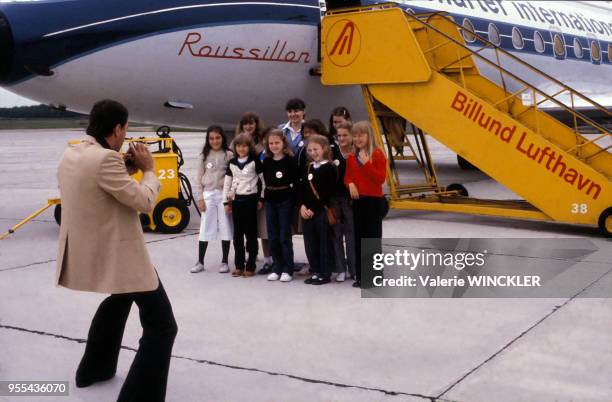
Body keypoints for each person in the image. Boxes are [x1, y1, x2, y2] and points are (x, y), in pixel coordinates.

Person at [56, 100, 177, 402]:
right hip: (122, 255)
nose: (126, 135)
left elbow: (96, 181)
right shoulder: (105, 160)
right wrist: (148, 170)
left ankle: (93, 370)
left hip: (95, 251)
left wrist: (125, 166)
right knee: (163, 326)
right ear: (117, 128)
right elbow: (144, 202)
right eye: (125, 128)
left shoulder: (73, 153)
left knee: (119, 301)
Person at [344, 121, 387, 288]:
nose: (357, 138)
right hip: (358, 201)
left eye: (361, 135)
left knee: (372, 239)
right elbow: (347, 176)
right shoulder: (352, 157)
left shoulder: (377, 154)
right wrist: (350, 184)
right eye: (354, 136)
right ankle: (361, 275)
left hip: (374, 201)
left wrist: (367, 164)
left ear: (369, 135)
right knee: (359, 239)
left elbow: (380, 179)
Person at [192, 125, 233, 274]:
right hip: (208, 194)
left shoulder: (228, 155)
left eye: (217, 138)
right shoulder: (203, 156)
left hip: (223, 194)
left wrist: (230, 198)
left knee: (225, 227)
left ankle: (224, 261)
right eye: (211, 138)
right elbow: (197, 178)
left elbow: (234, 177)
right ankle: (200, 261)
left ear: (222, 138)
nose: (215, 141)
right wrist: (200, 198)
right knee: (205, 227)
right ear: (207, 140)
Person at [236, 112, 274, 274]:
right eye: (245, 123)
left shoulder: (263, 143)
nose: (248, 126)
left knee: (263, 228)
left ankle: (268, 259)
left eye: (251, 123)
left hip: (259, 192)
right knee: (246, 229)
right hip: (244, 193)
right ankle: (251, 257)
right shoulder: (238, 142)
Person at [298, 134, 337, 285]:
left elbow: (327, 192)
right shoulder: (308, 167)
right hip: (306, 211)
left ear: (324, 149)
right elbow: (302, 189)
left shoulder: (329, 167)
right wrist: (302, 205)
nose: (313, 152)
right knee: (310, 242)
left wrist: (313, 208)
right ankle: (316, 270)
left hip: (320, 211)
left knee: (323, 242)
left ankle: (325, 272)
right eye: (310, 150)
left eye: (316, 149)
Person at [223, 133, 264, 277]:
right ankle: (239, 265)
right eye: (238, 146)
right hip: (236, 202)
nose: (241, 149)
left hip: (251, 201)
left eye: (244, 146)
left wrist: (261, 199)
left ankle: (251, 265)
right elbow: (227, 183)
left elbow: (262, 181)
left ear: (249, 147)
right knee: (237, 236)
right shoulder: (232, 163)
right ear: (235, 147)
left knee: (251, 235)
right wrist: (226, 202)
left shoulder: (255, 161)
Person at [262, 129, 298, 282]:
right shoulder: (267, 161)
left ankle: (288, 269)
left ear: (283, 143)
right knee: (273, 236)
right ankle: (277, 267)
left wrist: (292, 199)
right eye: (271, 143)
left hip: (285, 200)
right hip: (270, 200)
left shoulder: (290, 160)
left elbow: (295, 181)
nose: (274, 146)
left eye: (277, 142)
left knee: (284, 236)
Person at [330, 122, 356, 281]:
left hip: (350, 199)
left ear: (352, 136)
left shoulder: (356, 152)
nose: (341, 138)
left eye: (345, 135)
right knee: (336, 234)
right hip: (334, 199)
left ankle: (353, 268)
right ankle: (340, 268)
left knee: (351, 234)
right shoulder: (332, 152)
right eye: (339, 135)